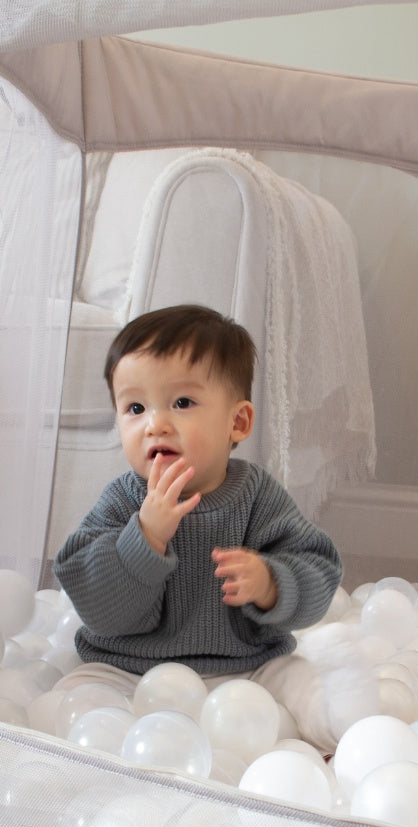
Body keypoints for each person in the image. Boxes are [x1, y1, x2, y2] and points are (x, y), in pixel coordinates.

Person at [52, 304, 340, 748]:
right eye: (134, 407)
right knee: (78, 697)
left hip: (247, 666)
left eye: (182, 403)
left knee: (301, 681)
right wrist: (145, 536)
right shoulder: (124, 499)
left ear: (237, 422)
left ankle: (344, 731)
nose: (156, 424)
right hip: (128, 667)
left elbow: (318, 567)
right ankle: (116, 756)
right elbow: (96, 604)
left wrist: (271, 584)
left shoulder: (257, 495)